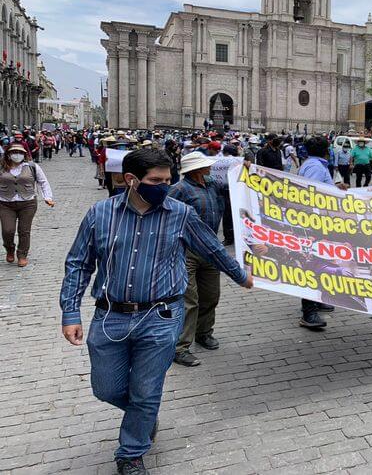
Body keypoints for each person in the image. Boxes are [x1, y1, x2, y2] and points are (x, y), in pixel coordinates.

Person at [59, 149, 253, 475]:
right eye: (155, 180)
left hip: (161, 317)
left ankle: (131, 453)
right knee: (106, 388)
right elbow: (78, 264)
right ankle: (144, 414)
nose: (164, 185)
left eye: (168, 179)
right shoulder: (99, 214)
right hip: (111, 317)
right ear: (132, 180)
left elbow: (212, 247)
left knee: (147, 390)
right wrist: (70, 313)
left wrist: (240, 275)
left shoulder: (180, 214)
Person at [167, 152, 229, 367]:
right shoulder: (179, 190)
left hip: (211, 250)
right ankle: (180, 347)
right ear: (195, 170)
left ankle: (204, 332)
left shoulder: (212, 184)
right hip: (188, 251)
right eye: (205, 165)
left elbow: (236, 187)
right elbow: (164, 216)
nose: (210, 167)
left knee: (211, 295)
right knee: (189, 300)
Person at [296, 136, 346, 329]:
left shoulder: (314, 164)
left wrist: (335, 188)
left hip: (318, 223)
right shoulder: (316, 167)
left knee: (321, 260)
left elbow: (320, 189)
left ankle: (317, 300)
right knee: (312, 263)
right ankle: (308, 313)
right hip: (313, 224)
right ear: (327, 151)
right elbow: (309, 193)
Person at [0, 143, 55, 267]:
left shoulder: (32, 166)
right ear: (8, 154)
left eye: (20, 153)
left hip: (28, 202)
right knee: (7, 230)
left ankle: (22, 254)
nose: (17, 155)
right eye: (14, 152)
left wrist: (47, 197)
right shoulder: (2, 167)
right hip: (5, 203)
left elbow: (42, 182)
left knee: (24, 231)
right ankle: (9, 248)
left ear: (24, 154)